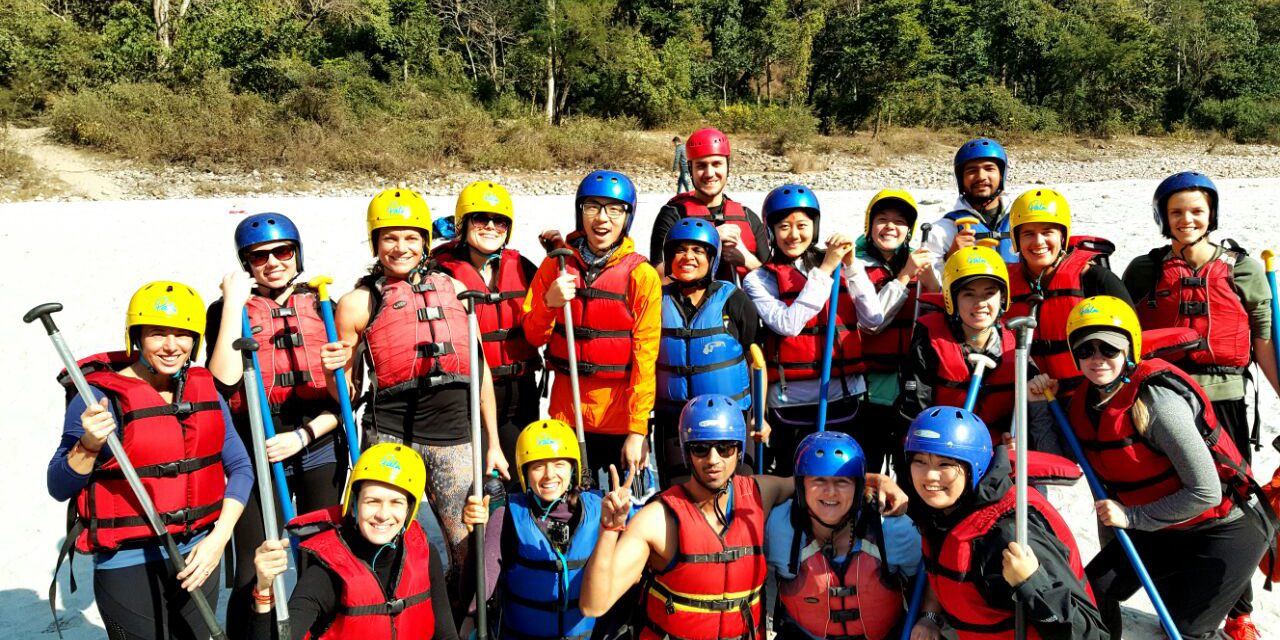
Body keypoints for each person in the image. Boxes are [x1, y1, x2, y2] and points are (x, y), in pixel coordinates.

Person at [579, 393, 907, 640]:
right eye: (700, 448)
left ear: (739, 450)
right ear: (685, 449)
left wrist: (875, 481)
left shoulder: (759, 492)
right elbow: (594, 605)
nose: (713, 459)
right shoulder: (657, 519)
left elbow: (814, 484)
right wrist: (610, 529)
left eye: (724, 448)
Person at [324, 187, 510, 618]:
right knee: (387, 541)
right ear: (375, 243)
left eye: (410, 237)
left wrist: (493, 443)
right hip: (390, 438)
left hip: (455, 437)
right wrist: (335, 368)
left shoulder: (456, 288)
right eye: (389, 238)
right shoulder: (357, 303)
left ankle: (450, 622)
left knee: (468, 549)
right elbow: (346, 395)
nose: (400, 247)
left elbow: (478, 371)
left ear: (425, 241)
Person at [1047, 296, 1270, 640]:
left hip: (1225, 526)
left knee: (1184, 629)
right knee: (1092, 592)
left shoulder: (1157, 404)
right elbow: (1055, 457)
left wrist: (1132, 518)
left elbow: (1206, 492)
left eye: (1108, 349)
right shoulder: (1083, 402)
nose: (1097, 359)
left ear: (1129, 350)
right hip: (1163, 529)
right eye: (1085, 350)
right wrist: (1037, 405)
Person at [46, 281, 253, 639]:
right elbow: (58, 485)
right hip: (126, 566)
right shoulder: (97, 396)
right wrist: (89, 444)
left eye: (182, 335)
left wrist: (218, 540)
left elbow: (241, 468)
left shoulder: (203, 388)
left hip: (199, 555)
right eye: (158, 334)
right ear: (137, 337)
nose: (171, 347)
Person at [204, 212, 348, 637]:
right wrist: (233, 301)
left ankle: (315, 626)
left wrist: (302, 436)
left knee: (318, 548)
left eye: (282, 252)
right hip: (254, 446)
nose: (272, 262)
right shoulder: (225, 311)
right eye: (258, 256)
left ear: (297, 253)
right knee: (255, 556)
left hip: (317, 439)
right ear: (246, 263)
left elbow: (348, 399)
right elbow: (222, 380)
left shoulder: (325, 306)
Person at [904, 406, 1106, 640]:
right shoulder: (941, 511)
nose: (929, 475)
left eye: (945, 464)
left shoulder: (1010, 532)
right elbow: (941, 568)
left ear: (973, 468)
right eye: (919, 461)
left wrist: (1032, 583)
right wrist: (930, 618)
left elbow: (1092, 635)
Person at [526, 170, 662, 485]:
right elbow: (534, 336)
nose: (602, 218)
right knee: (570, 510)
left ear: (627, 217)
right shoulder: (556, 266)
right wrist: (550, 302)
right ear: (580, 212)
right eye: (592, 207)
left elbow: (646, 357)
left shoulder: (641, 276)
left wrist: (638, 430)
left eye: (614, 209)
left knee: (623, 514)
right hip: (566, 415)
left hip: (620, 420)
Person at [742, 183, 886, 474]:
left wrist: (852, 266)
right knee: (794, 482)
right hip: (790, 405)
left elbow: (874, 319)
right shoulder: (758, 280)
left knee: (844, 481)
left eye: (802, 225)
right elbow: (788, 324)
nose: (793, 235)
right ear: (770, 231)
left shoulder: (840, 267)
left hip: (845, 399)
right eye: (784, 226)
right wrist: (824, 271)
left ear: (815, 227)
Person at [250, 443, 457, 639]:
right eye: (372, 501)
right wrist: (264, 590)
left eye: (396, 502)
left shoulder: (424, 555)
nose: (383, 515)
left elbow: (446, 635)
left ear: (408, 510)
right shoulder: (328, 571)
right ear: (353, 505)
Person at [461, 419, 637, 639]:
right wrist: (475, 536)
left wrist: (621, 523)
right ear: (524, 472)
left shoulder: (605, 511)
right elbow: (478, 593)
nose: (549, 475)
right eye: (538, 466)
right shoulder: (505, 516)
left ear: (574, 469)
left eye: (559, 464)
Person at [432, 181, 542, 490]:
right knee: (477, 485)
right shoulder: (439, 271)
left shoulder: (523, 266)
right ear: (463, 223)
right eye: (480, 219)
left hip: (519, 392)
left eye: (500, 221)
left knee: (519, 478)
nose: (491, 227)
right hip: (465, 396)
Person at [901, 246, 1059, 452]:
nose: (980, 303)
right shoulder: (930, 340)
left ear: (1002, 297)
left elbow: (1032, 424)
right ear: (953, 299)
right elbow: (915, 410)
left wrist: (1018, 439)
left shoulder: (1017, 343)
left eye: (990, 293)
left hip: (996, 448)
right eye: (969, 294)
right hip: (943, 448)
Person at [765, 431, 921, 639]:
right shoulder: (778, 527)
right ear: (800, 486)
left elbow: (927, 582)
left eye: (842, 482)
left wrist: (928, 618)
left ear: (859, 488)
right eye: (819, 480)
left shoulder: (892, 529)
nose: (831, 492)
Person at [655, 216, 766, 481]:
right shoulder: (656, 300)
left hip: (731, 419)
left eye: (698, 250)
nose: (688, 257)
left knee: (738, 498)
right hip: (675, 422)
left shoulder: (734, 301)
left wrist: (759, 418)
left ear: (712, 258)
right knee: (679, 502)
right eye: (680, 250)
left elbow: (757, 363)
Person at [1004, 189, 1129, 399]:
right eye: (1028, 233)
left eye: (1047, 232)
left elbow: (1129, 342)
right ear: (1016, 239)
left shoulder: (1095, 279)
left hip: (1089, 397)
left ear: (1063, 236)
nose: (1038, 242)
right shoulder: (1003, 285)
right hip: (1032, 396)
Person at [855, 189, 939, 473]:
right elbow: (871, 322)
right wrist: (904, 276)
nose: (890, 226)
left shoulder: (920, 263)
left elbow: (941, 313)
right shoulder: (854, 267)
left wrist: (931, 284)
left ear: (909, 230)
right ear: (870, 225)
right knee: (868, 471)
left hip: (912, 385)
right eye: (882, 219)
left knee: (908, 470)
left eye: (900, 221)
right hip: (870, 391)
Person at [650, 128, 771, 281]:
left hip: (737, 304)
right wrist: (710, 238)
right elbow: (657, 279)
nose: (709, 173)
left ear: (727, 167)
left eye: (717, 164)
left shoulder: (748, 217)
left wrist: (747, 259)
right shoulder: (673, 215)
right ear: (690, 169)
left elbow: (773, 282)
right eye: (701, 165)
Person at [924, 137, 1017, 283]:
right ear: (961, 179)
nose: (981, 177)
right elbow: (932, 285)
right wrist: (951, 258)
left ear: (1001, 174)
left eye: (989, 168)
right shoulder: (943, 229)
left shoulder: (1021, 221)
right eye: (972, 171)